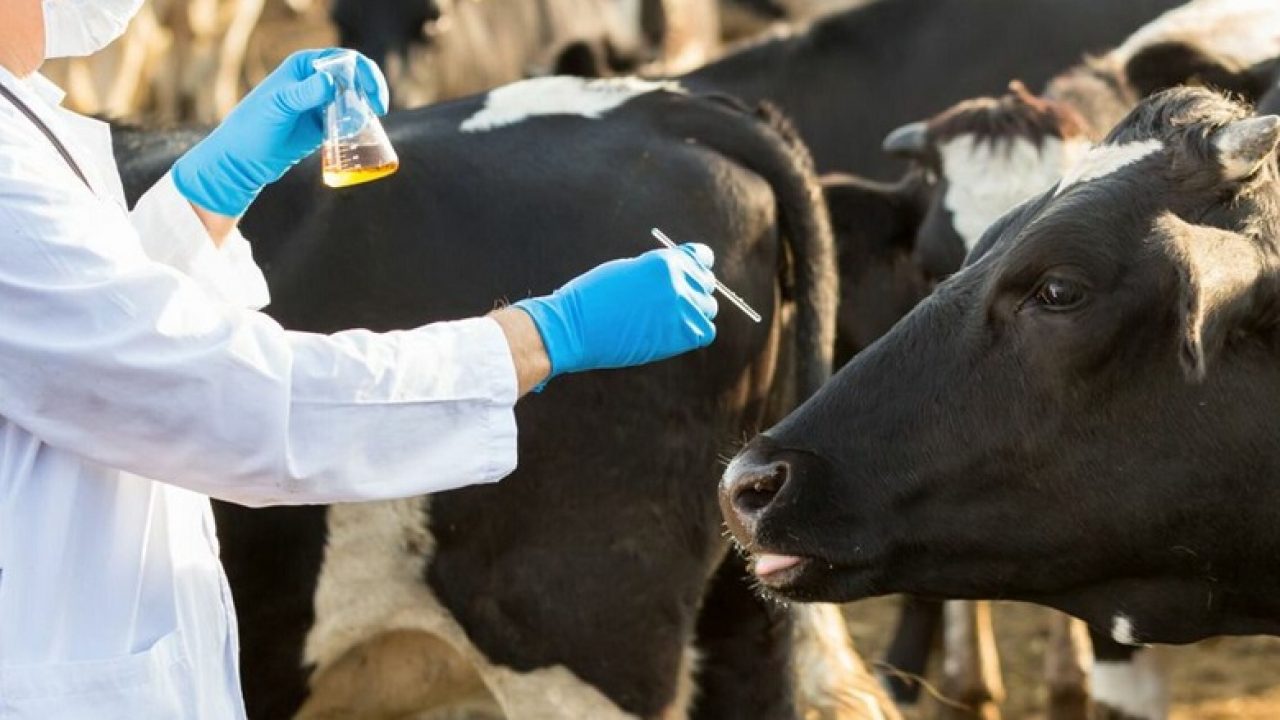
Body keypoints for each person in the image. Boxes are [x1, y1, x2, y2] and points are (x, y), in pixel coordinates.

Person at [0, 1, 720, 717]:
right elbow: (230, 400)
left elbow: (88, 343)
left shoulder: (21, 113)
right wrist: (543, 336)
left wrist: (207, 195)